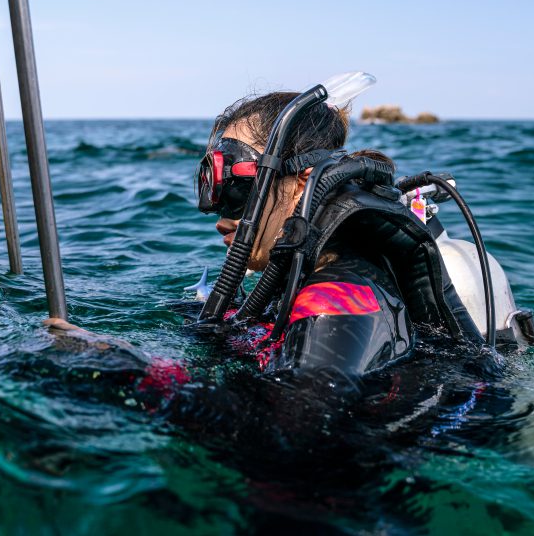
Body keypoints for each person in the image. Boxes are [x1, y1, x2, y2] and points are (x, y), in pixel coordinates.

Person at [194, 91, 482, 376]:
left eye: (234, 185)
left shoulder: (331, 299)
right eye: (212, 184)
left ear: (301, 185)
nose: (216, 209)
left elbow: (301, 413)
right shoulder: (299, 273)